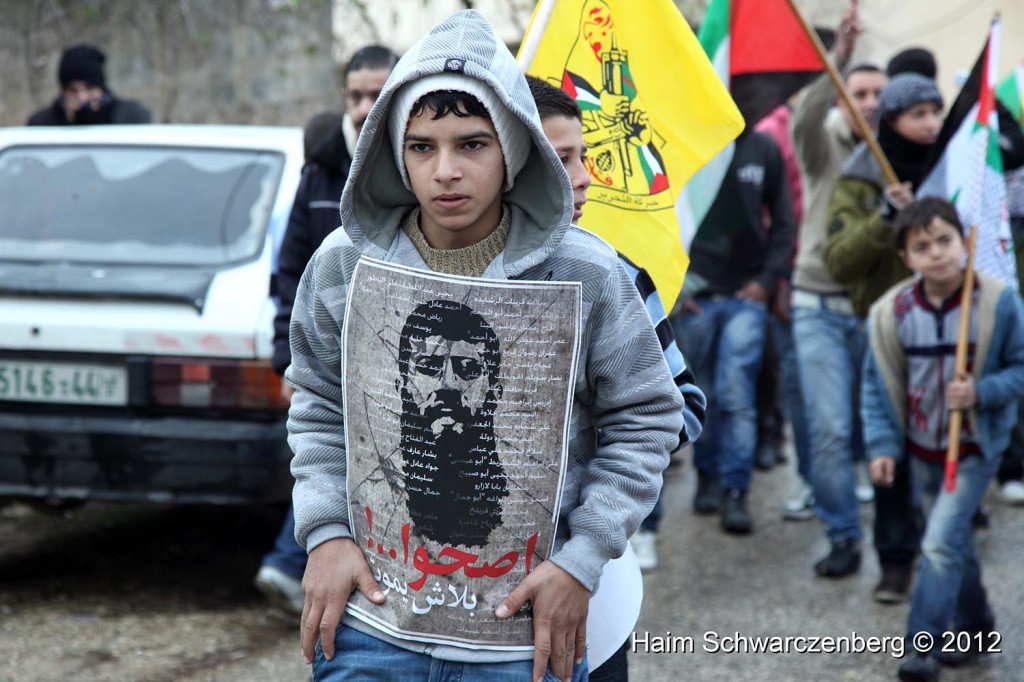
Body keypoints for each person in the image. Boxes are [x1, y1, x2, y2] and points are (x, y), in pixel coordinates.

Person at [287, 10, 684, 682]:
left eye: (472, 144)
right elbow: (321, 403)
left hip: (524, 641)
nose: (445, 171)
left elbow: (647, 417)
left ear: (514, 148)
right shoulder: (343, 266)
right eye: (422, 146)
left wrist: (582, 561)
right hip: (374, 627)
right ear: (393, 150)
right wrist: (324, 534)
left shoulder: (586, 273)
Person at [526, 73, 706, 681]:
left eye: (584, 156)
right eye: (559, 159)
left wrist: (594, 454)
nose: (582, 179)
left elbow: (681, 407)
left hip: (587, 583)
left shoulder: (616, 277)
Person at [254, 44, 400, 616]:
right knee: (325, 453)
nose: (365, 108)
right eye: (356, 95)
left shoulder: (417, 167)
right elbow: (290, 271)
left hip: (393, 360)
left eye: (378, 95)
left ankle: (299, 567)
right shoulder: (320, 167)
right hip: (328, 358)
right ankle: (299, 564)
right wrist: (284, 360)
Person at [861, 198, 1024, 681]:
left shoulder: (996, 301)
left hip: (974, 448)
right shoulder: (891, 312)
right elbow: (878, 386)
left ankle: (922, 648)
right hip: (923, 448)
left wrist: (980, 390)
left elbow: (1019, 369)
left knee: (935, 544)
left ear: (964, 242)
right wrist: (883, 446)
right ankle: (975, 628)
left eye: (944, 241)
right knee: (953, 543)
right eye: (922, 246)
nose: (936, 253)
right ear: (906, 257)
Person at [821, 72, 943, 589]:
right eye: (918, 114)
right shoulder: (861, 177)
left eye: (936, 112)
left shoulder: (957, 162)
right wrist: (887, 216)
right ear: (890, 120)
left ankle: (947, 552)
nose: (931, 124)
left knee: (947, 448)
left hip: (950, 327)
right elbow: (839, 260)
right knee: (888, 449)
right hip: (889, 330)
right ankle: (895, 561)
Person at [672, 122, 796, 535]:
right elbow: (664, 216)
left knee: (737, 393)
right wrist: (679, 286)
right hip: (697, 300)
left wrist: (766, 281)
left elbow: (783, 221)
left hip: (747, 298)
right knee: (701, 394)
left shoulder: (762, 148)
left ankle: (736, 490)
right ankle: (706, 475)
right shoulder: (689, 143)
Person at [27, 44, 150, 125]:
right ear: (63, 92)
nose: (82, 97)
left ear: (101, 89)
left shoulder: (131, 117)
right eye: (73, 90)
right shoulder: (41, 124)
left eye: (90, 89)